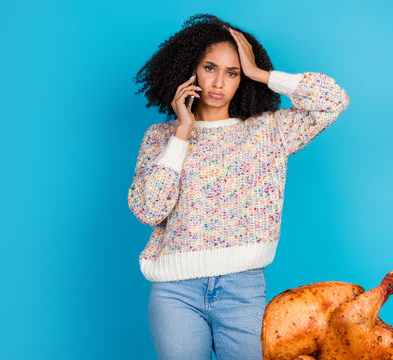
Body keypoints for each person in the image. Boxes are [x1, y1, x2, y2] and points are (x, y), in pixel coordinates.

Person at [128, 13, 350, 360]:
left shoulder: (268, 132)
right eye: (209, 68)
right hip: (175, 293)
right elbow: (148, 209)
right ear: (190, 70)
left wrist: (263, 75)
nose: (218, 82)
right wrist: (182, 133)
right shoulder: (160, 138)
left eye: (232, 72)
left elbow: (333, 101)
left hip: (242, 289)